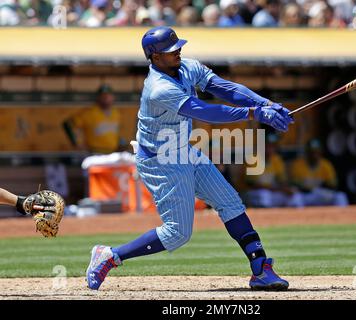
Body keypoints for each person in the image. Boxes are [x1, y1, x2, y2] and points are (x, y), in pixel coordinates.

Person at [85, 26, 294, 291]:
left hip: (183, 150)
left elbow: (225, 88)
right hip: (161, 161)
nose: (178, 51)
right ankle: (110, 256)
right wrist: (254, 114)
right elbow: (205, 111)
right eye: (170, 50)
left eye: (177, 46)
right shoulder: (158, 88)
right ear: (155, 57)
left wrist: (265, 104)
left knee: (231, 203)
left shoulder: (186, 67)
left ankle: (260, 268)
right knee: (178, 234)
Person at [62, 84, 126, 154]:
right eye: (103, 96)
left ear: (113, 97)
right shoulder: (89, 112)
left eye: (108, 95)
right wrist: (76, 143)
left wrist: (121, 143)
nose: (106, 98)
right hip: (95, 152)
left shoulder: (116, 112)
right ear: (98, 97)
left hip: (113, 152)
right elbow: (67, 124)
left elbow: (113, 133)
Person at [245, 133, 303, 208]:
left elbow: (282, 181)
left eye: (273, 146)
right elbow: (252, 185)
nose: (270, 148)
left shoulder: (277, 159)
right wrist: (278, 189)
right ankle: (265, 216)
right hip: (253, 193)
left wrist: (286, 189)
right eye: (268, 145)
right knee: (264, 195)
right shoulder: (252, 159)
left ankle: (297, 217)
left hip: (272, 192)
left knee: (294, 194)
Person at [290, 138, 349, 207]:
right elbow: (294, 184)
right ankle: (298, 217)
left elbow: (333, 184)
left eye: (316, 151)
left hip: (320, 194)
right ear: (307, 152)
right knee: (296, 197)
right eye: (311, 152)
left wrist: (325, 185)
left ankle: (343, 216)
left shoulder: (326, 165)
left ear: (320, 152)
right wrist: (306, 187)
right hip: (306, 196)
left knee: (340, 196)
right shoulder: (298, 164)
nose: (314, 154)